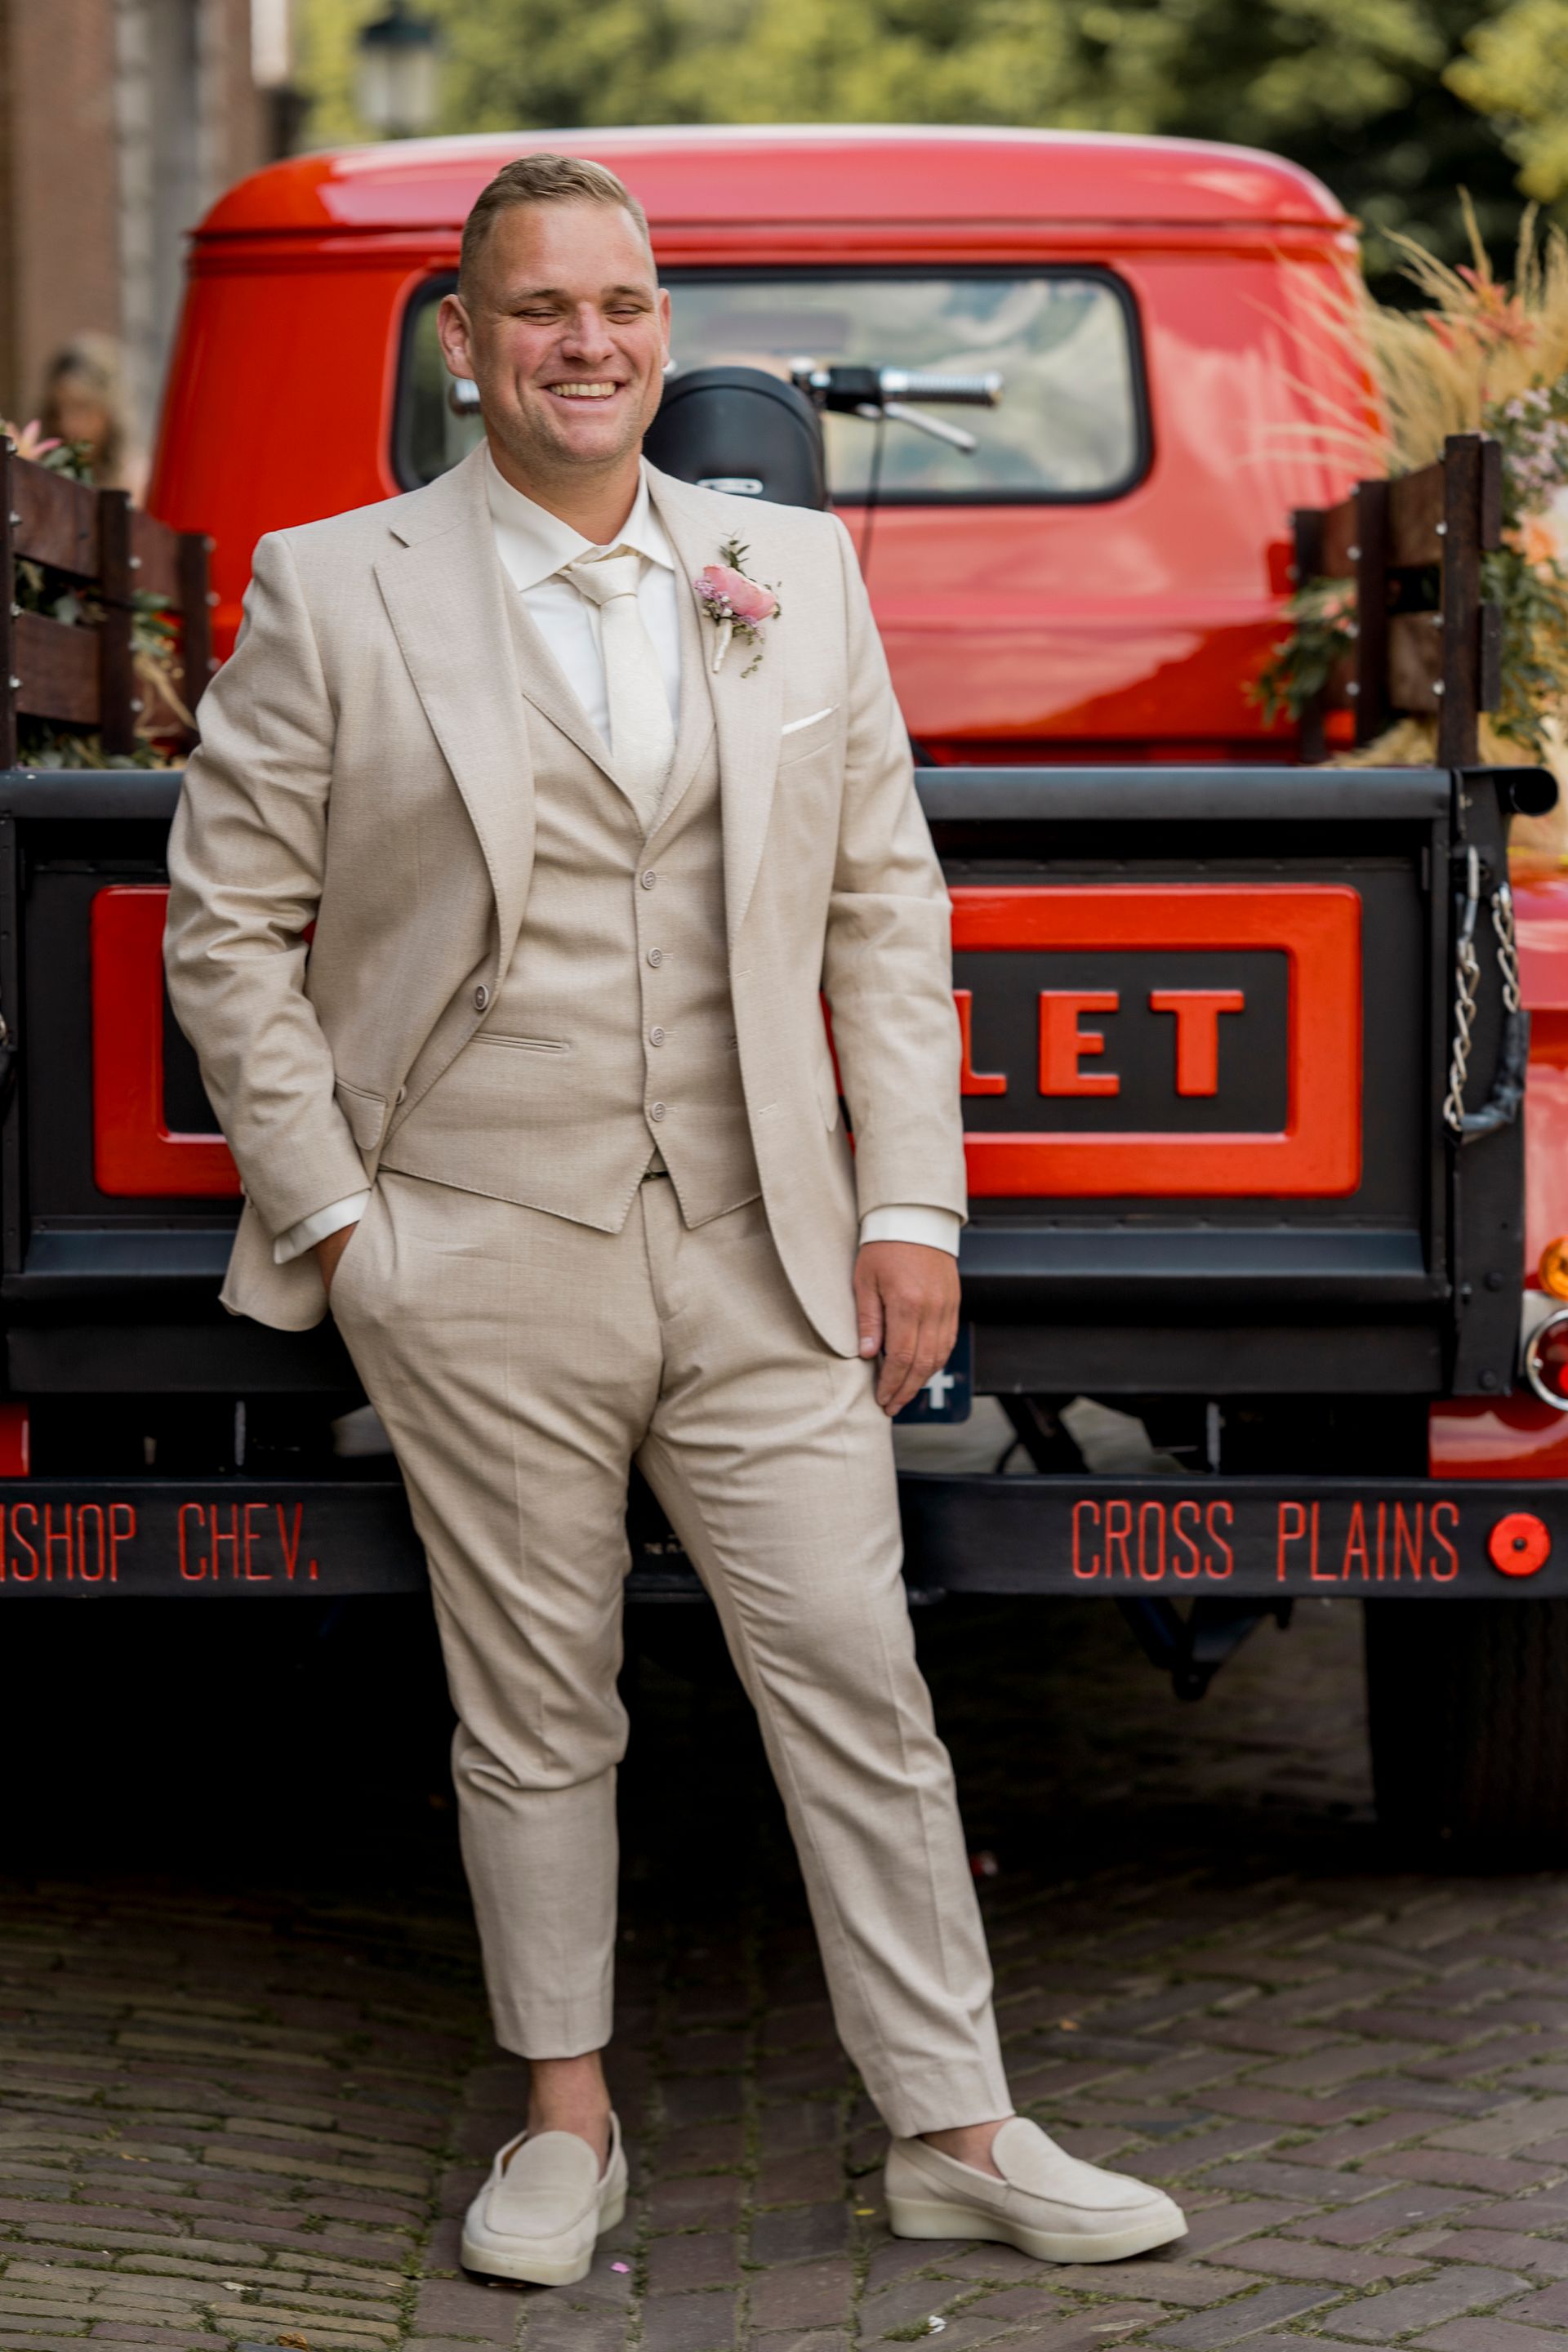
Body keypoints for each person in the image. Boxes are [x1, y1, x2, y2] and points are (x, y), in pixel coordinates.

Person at [163, 153, 1185, 2289]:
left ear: (662, 329)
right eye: (541, 307)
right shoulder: (334, 586)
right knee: (536, 1705)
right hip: (471, 1235)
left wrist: (912, 1206)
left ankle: (959, 2125)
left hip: (762, 1236)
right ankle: (566, 2123)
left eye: (622, 304)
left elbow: (883, 902)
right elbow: (228, 927)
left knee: (860, 1679)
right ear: (466, 342)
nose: (588, 342)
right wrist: (343, 1226)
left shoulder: (784, 565)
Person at [37, 334, 143, 497]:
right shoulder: (40, 480)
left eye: (81, 407)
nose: (66, 425)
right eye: (57, 411)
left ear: (109, 408)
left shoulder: (138, 483)